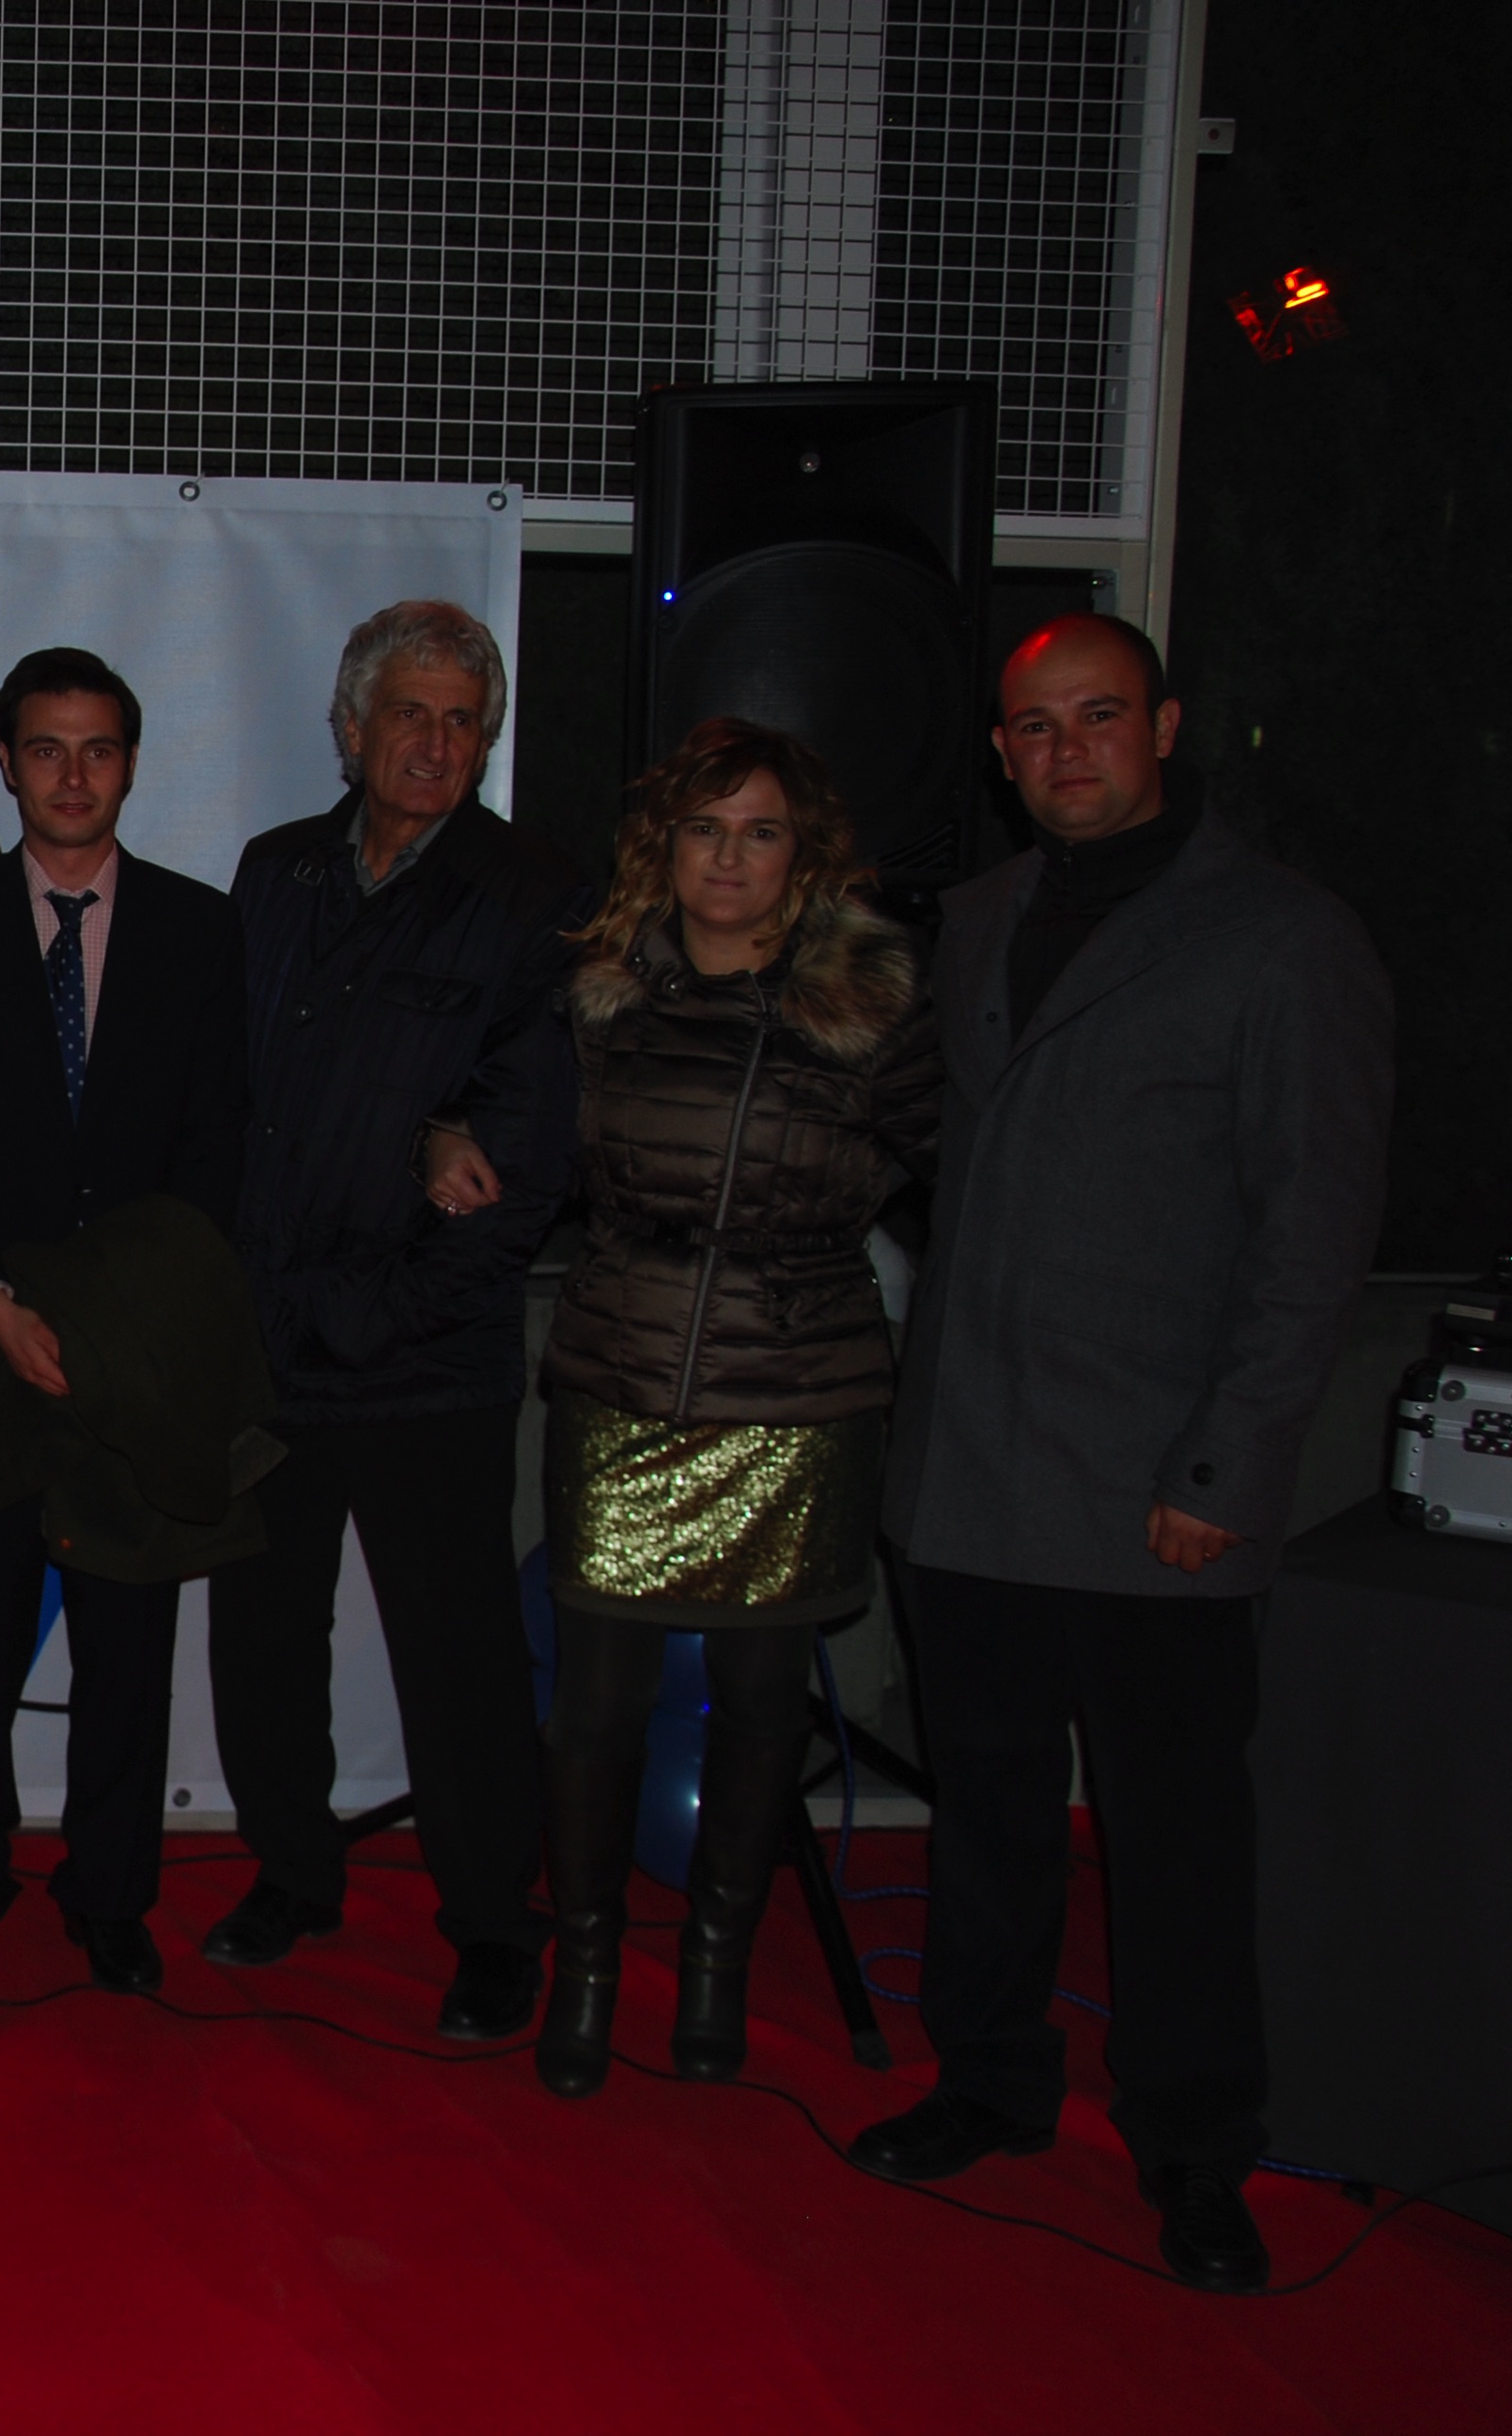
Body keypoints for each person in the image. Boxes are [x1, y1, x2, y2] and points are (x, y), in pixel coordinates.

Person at [855, 616, 1393, 2293]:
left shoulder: (1286, 939)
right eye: (1034, 726)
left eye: (1098, 716)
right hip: (972, 1469)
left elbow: (1313, 1239)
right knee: (988, 1815)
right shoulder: (976, 919)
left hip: (1159, 1489)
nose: (1066, 749)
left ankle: (1195, 2148)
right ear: (1001, 754)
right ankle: (990, 2080)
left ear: (1165, 726)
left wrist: (1225, 1473)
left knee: (1174, 1845)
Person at [428, 719, 940, 2097]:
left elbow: (964, 1179)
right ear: (664, 847)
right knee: (593, 1713)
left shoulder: (872, 1006)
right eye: (705, 830)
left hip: (801, 1394)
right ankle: (588, 1971)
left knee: (764, 1707)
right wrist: (443, 1135)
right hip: (623, 1379)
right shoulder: (596, 994)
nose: (729, 859)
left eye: (760, 832)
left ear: (803, 854)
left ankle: (718, 1965)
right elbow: (499, 1122)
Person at [206, 599, 588, 2040]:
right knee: (260, 1638)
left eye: (462, 721)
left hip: (427, 1352)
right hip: (266, 1341)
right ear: (351, 726)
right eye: (410, 715)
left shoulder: (538, 893)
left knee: (460, 1663)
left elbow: (527, 1154)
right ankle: (292, 1875)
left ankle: (494, 1925)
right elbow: (231, 1091)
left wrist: (384, 1311)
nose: (435, 743)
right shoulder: (276, 872)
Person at [0, 647, 246, 1995]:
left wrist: (116, 1324)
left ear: (130, 764)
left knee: (129, 1655)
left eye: (97, 750)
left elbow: (217, 1154)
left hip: (136, 1365)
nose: (73, 776)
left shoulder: (202, 933)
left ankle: (111, 1896)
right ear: (7, 762)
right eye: (46, 749)